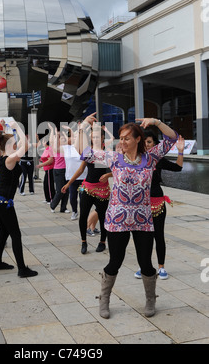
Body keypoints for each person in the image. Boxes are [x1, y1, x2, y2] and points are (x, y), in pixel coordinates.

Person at [79, 113, 178, 319]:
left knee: (146, 263)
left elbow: (172, 138)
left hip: (143, 219)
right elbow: (85, 152)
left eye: (126, 138)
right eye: (120, 138)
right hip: (117, 220)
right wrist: (82, 128)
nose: (122, 142)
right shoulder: (114, 158)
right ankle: (104, 299)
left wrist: (157, 122)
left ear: (138, 139)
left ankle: (151, 299)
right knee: (115, 261)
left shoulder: (150, 159)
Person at [0, 122, 38, 277]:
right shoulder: (9, 160)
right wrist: (17, 127)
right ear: (9, 145)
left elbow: (24, 144)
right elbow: (26, 145)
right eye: (14, 143)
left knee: (4, 232)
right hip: (2, 202)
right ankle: (22, 269)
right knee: (15, 234)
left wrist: (7, 130)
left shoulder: (6, 158)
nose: (17, 145)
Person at [134, 131, 185, 280]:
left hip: (157, 201)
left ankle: (161, 267)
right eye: (144, 142)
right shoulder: (137, 159)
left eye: (149, 142)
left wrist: (180, 151)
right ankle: (144, 266)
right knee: (144, 237)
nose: (146, 145)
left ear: (155, 145)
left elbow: (178, 168)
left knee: (158, 235)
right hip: (141, 203)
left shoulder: (158, 159)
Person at [62, 125, 111, 254]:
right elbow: (80, 170)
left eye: (97, 137)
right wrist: (68, 184)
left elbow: (118, 170)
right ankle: (84, 242)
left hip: (102, 189)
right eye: (92, 136)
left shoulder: (107, 153)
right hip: (87, 188)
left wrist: (108, 175)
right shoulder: (88, 152)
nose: (94, 139)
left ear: (102, 138)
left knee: (103, 216)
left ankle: (102, 242)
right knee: (83, 215)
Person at [62, 126, 88, 221]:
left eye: (78, 136)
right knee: (73, 196)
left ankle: (83, 213)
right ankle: (74, 211)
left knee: (82, 196)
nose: (75, 138)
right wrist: (69, 130)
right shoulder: (66, 148)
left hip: (83, 179)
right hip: (72, 179)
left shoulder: (84, 149)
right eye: (74, 136)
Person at [48, 125, 70, 214]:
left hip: (66, 170)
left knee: (67, 190)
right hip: (58, 171)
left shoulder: (66, 148)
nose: (64, 140)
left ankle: (63, 208)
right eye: (62, 139)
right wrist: (54, 133)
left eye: (65, 139)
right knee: (60, 190)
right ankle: (53, 205)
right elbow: (51, 141)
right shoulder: (56, 149)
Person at [36, 139, 55, 203]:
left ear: (46, 142)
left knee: (49, 185)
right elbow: (45, 158)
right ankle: (47, 199)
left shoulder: (49, 149)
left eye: (43, 141)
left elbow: (51, 160)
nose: (42, 142)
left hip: (50, 169)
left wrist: (41, 165)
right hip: (46, 170)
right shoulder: (46, 149)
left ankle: (51, 199)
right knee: (45, 185)